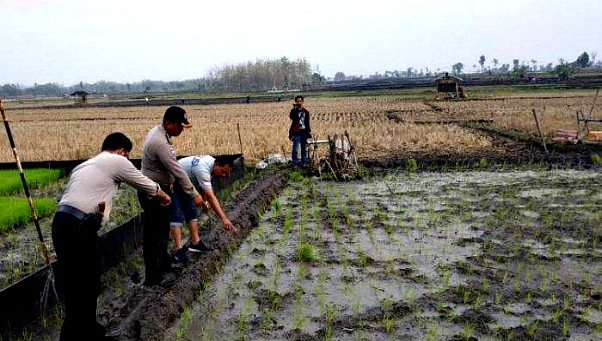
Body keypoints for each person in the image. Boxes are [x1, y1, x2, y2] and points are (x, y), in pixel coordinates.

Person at [51, 132, 171, 341]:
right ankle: (77, 335)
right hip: (79, 227)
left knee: (78, 285)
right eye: (126, 154)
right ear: (121, 150)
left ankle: (89, 332)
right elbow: (141, 181)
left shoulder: (86, 165)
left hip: (62, 224)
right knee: (85, 286)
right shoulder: (116, 160)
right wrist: (161, 194)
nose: (125, 158)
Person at [138, 106, 204, 288]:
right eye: (180, 126)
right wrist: (194, 194)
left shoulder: (160, 133)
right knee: (154, 235)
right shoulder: (160, 142)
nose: (182, 130)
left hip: (160, 190)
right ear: (169, 123)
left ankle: (164, 263)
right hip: (153, 194)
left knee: (162, 230)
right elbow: (178, 171)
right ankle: (153, 278)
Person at [170, 155, 237, 264]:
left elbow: (204, 187)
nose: (224, 175)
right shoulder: (203, 168)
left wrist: (203, 202)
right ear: (217, 164)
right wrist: (224, 219)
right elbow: (211, 196)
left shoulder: (210, 162)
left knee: (191, 212)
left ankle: (195, 243)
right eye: (223, 171)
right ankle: (179, 251)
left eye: (226, 173)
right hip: (172, 180)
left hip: (185, 182)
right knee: (177, 215)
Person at [288, 95, 311, 167]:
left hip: (304, 132)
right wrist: (295, 109)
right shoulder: (293, 111)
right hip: (296, 133)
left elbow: (307, 123)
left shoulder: (306, 112)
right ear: (295, 102)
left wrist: (309, 132)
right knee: (295, 149)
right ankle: (294, 163)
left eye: (300, 101)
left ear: (303, 102)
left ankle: (303, 162)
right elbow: (292, 118)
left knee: (304, 148)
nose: (299, 102)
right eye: (297, 101)